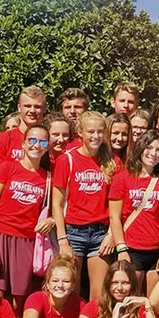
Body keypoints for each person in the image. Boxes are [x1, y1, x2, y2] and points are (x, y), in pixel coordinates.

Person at [0, 122, 52, 305]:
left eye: (43, 142)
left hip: (27, 240)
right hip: (1, 236)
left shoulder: (48, 177)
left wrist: (52, 220)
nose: (37, 145)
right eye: (32, 140)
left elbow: (57, 208)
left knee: (19, 299)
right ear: (24, 143)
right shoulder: (7, 168)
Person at [51, 111, 116, 300]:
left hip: (100, 233)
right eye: (91, 132)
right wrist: (62, 240)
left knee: (99, 294)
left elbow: (116, 206)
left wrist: (111, 234)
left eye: (100, 131)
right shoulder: (67, 159)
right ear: (80, 132)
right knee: (71, 290)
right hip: (73, 231)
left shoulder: (111, 161)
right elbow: (57, 203)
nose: (96, 136)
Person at [108, 129, 159, 279]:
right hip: (131, 247)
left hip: (157, 247)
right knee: (132, 296)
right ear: (140, 148)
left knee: (153, 300)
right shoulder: (122, 178)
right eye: (149, 148)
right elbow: (114, 217)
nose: (153, 154)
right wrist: (121, 248)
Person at [0, 86, 47, 165]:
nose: (32, 110)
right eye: (27, 106)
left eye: (37, 107)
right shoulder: (0, 141)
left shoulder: (50, 142)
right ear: (19, 108)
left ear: (45, 108)